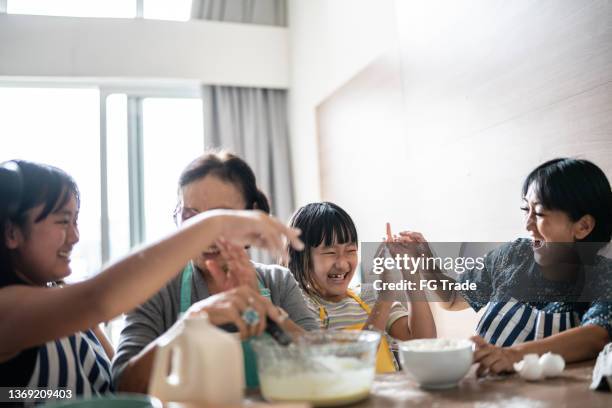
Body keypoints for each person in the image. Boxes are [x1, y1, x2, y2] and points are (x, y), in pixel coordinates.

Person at [0, 160, 303, 396]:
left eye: (76, 220)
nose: (76, 236)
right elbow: (98, 299)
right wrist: (216, 223)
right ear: (12, 232)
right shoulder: (7, 310)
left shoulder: (63, 302)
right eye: (63, 221)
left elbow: (110, 388)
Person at [112, 152, 319, 392]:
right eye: (191, 217)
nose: (207, 235)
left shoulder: (277, 282)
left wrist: (269, 314)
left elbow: (322, 363)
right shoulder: (155, 287)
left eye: (221, 218)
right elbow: (124, 384)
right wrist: (190, 325)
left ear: (250, 216)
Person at [393, 158, 612, 376]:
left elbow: (596, 336)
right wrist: (424, 261)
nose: (527, 224)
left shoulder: (602, 275)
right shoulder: (514, 255)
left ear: (583, 226)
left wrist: (512, 355)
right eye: (525, 209)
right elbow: (451, 299)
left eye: (538, 213)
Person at [285, 202, 436, 373]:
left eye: (350, 250)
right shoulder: (300, 307)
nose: (342, 264)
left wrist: (410, 274)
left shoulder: (368, 296)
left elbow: (423, 344)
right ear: (299, 256)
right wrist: (385, 300)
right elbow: (346, 366)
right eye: (330, 253)